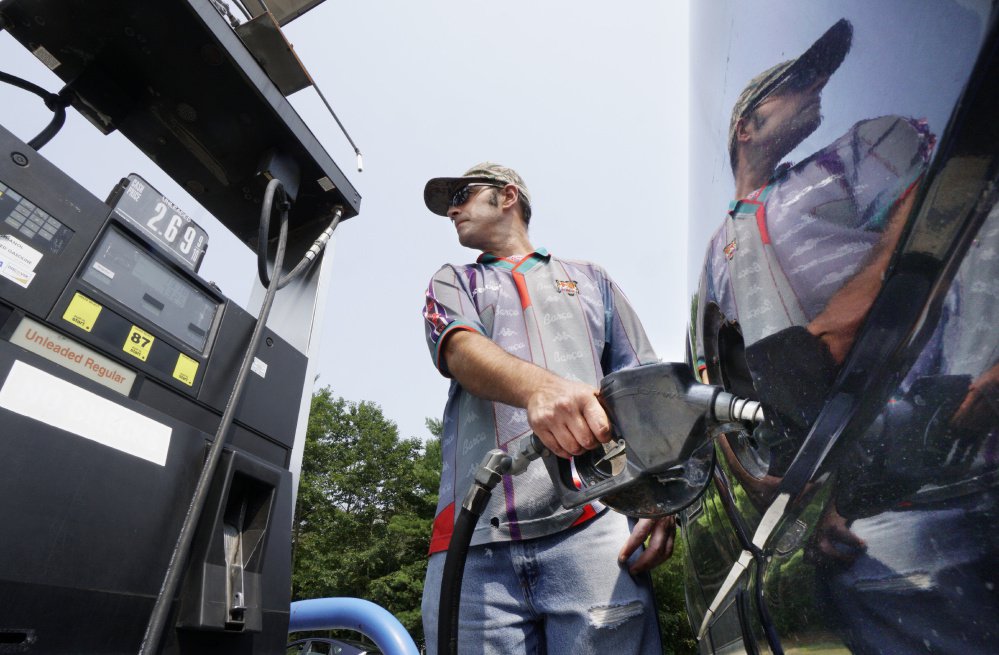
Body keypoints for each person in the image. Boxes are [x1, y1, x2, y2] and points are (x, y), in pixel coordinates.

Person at [419, 162, 673, 654]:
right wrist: (540, 390)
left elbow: (646, 387)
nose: (452, 209)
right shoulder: (453, 280)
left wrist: (663, 494)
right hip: (471, 548)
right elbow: (458, 350)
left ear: (507, 195)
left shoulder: (591, 279)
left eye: (463, 194)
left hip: (597, 528)